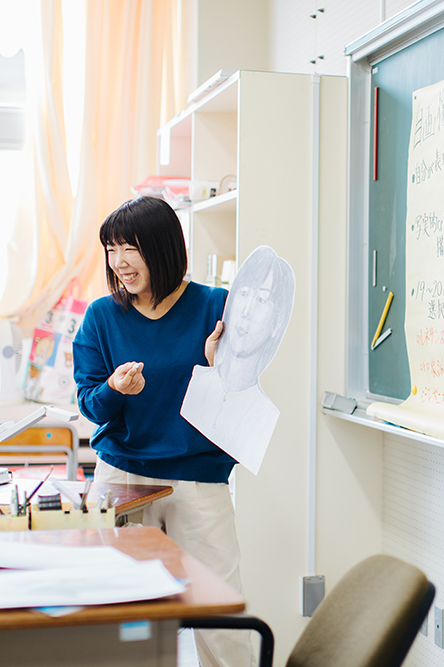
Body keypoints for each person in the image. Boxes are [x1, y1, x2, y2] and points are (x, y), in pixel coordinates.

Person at [72, 196, 253, 667]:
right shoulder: (101, 316)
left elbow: (244, 400)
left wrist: (222, 367)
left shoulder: (217, 305)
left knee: (219, 608)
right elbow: (90, 404)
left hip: (198, 476)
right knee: (121, 607)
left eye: (129, 247)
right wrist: (114, 389)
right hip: (125, 477)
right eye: (111, 249)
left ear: (164, 245)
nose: (119, 262)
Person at [180, 246, 295, 475]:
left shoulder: (265, 415)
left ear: (277, 323)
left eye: (262, 299)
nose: (247, 311)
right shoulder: (199, 381)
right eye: (243, 294)